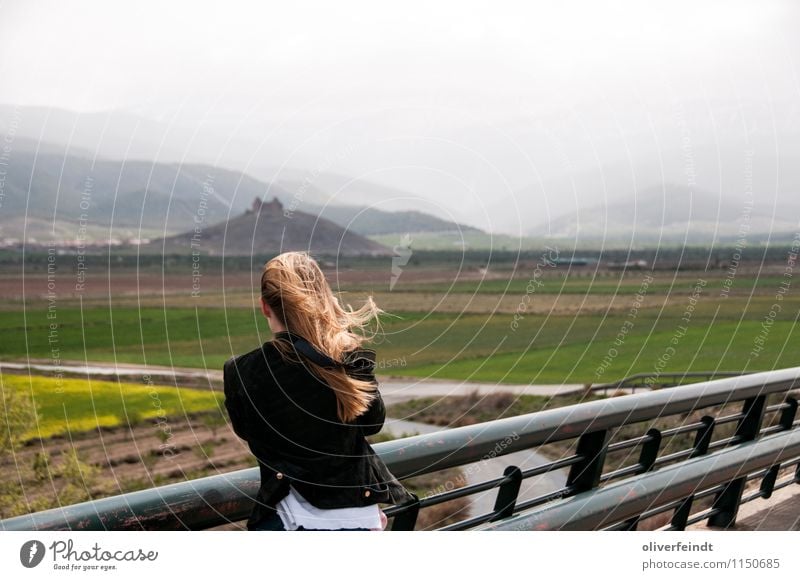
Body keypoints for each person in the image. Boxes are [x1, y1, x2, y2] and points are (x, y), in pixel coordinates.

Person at [223, 251, 415, 531]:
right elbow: (373, 423)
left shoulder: (241, 370)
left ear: (265, 306)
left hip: (287, 521)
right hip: (357, 519)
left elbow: (248, 433)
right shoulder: (348, 357)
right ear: (323, 299)